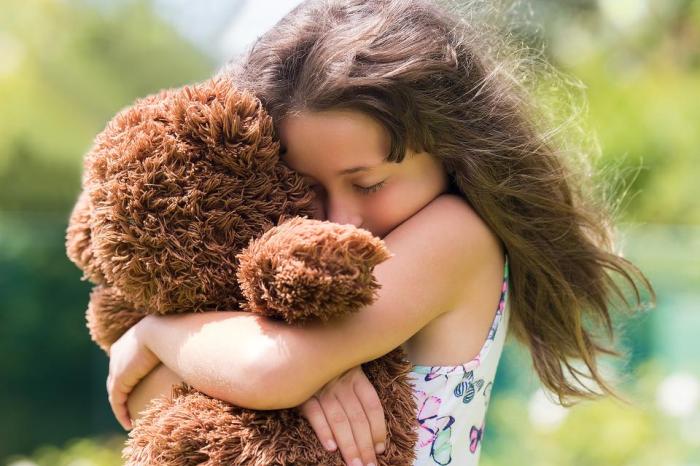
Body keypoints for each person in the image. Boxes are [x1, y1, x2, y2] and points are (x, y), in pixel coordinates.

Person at [105, 1, 655, 465]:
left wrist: (161, 331)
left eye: (367, 184)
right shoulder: (278, 270)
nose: (338, 218)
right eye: (305, 185)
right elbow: (151, 400)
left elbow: (268, 367)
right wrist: (303, 377)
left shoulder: (456, 237)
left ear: (451, 153)